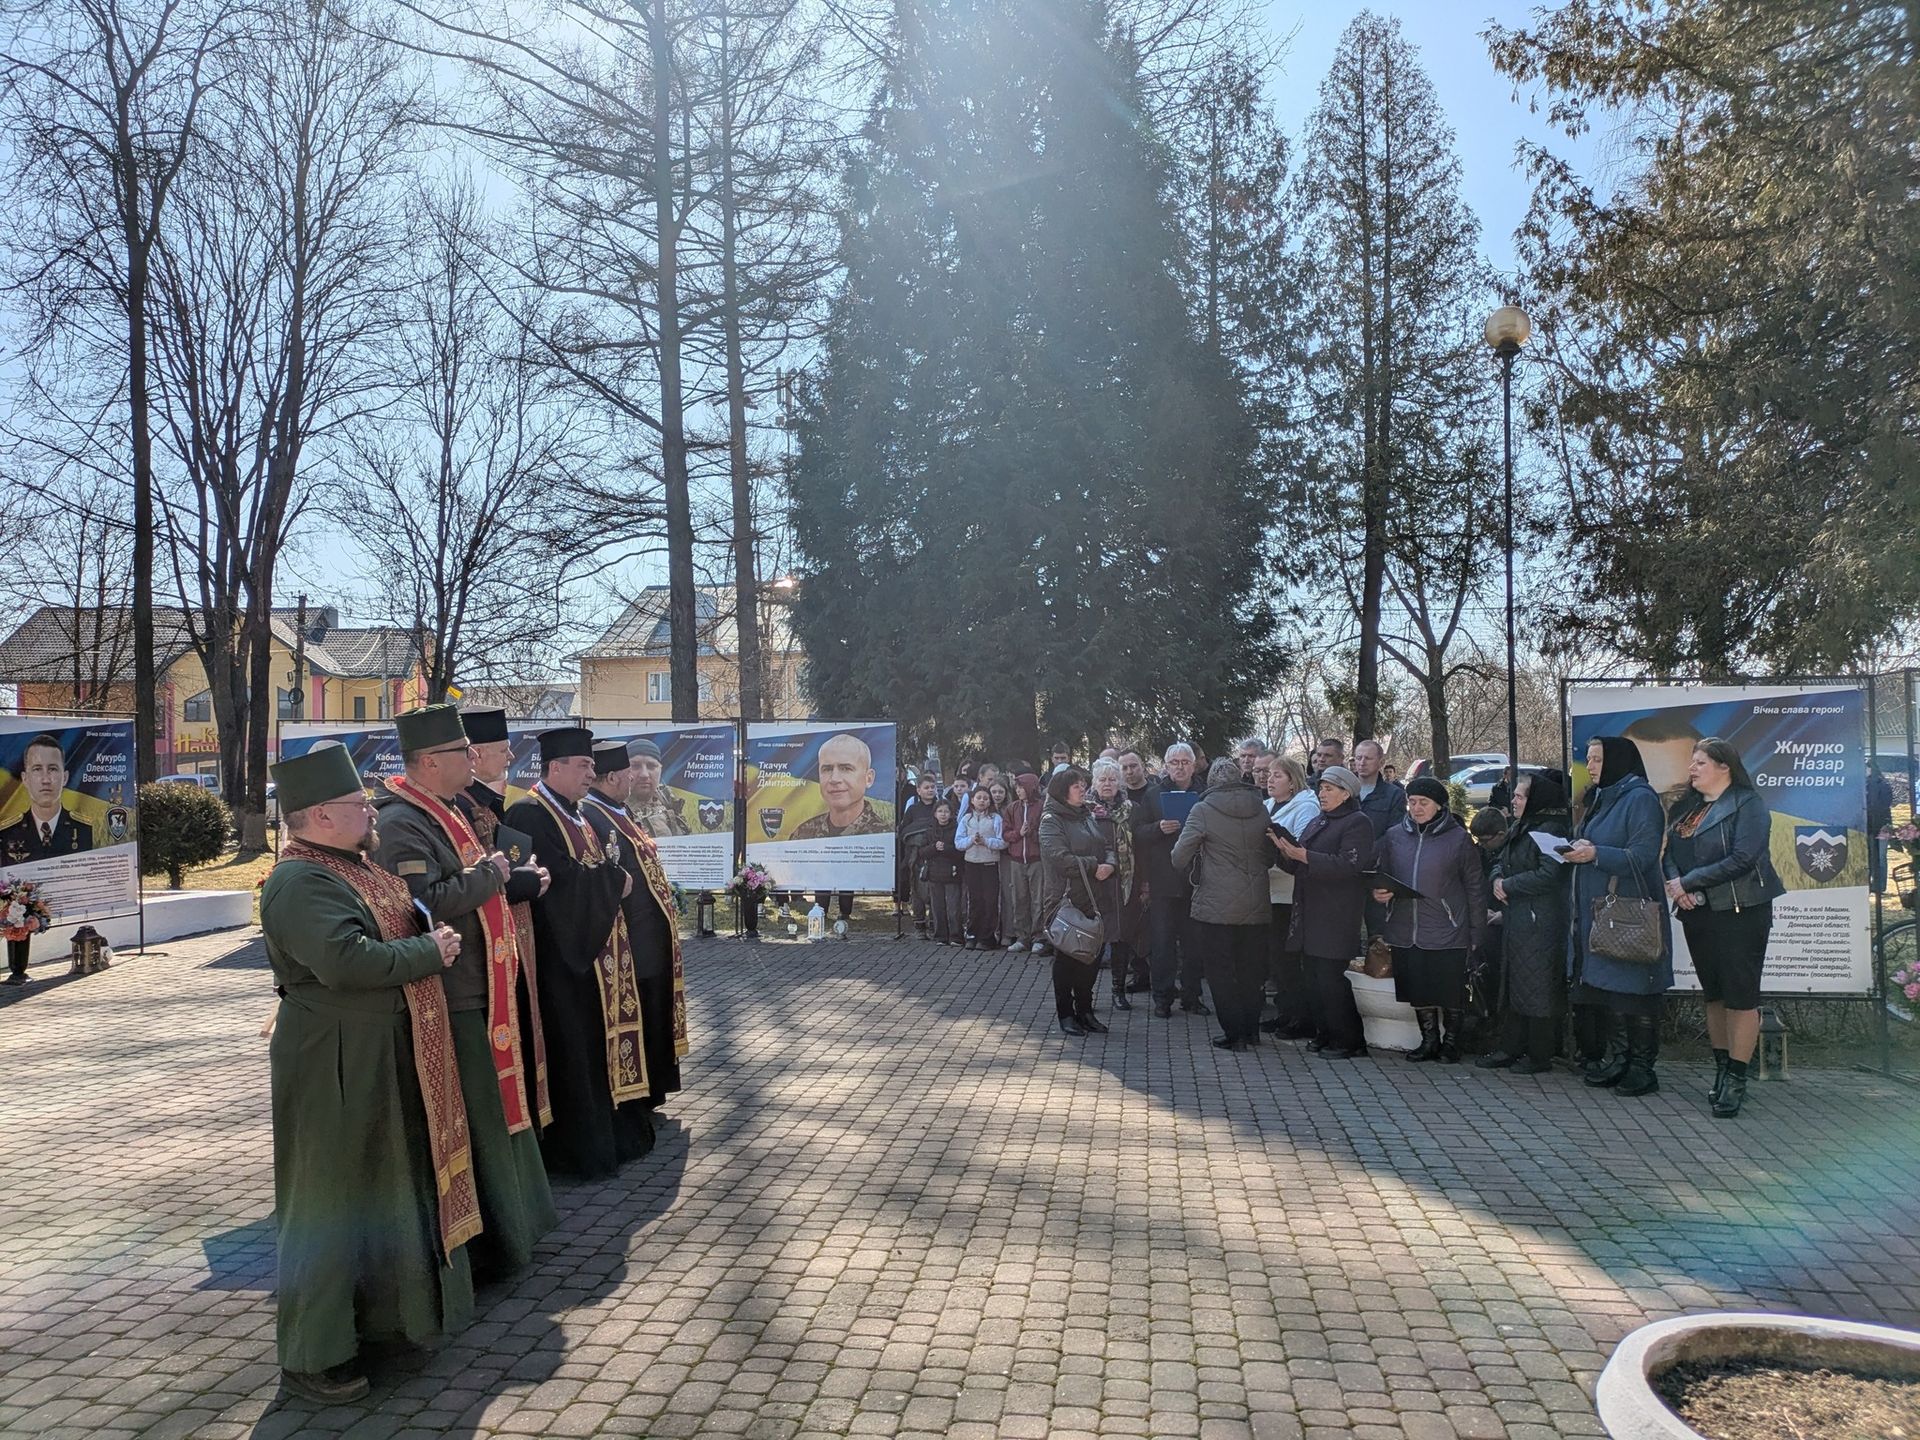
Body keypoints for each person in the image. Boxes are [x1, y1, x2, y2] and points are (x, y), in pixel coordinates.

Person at [259, 742, 474, 1405]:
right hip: (334, 1058)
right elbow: (346, 961)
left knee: (381, 1191)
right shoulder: (299, 880)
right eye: (359, 804)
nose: (370, 811)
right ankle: (314, 1353)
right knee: (328, 1201)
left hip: (377, 1050)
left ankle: (385, 1326)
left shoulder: (347, 864)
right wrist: (429, 949)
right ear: (320, 815)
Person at [372, 705, 557, 1282]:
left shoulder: (446, 810)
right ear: (429, 762)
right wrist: (494, 874)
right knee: (478, 1114)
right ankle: (490, 1237)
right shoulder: (404, 820)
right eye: (462, 753)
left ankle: (514, 1227)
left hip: (482, 985)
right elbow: (421, 903)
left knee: (498, 1109)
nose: (473, 760)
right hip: (452, 992)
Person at [506, 727, 652, 1177]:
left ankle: (608, 1136)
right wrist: (613, 883)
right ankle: (575, 1151)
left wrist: (610, 879)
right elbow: (558, 882)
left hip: (592, 958)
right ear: (555, 768)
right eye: (584, 765)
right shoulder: (530, 814)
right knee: (569, 1049)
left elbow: (590, 866)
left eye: (592, 765)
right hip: (560, 960)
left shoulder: (577, 814)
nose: (593, 772)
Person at [1663, 737, 1785, 1119]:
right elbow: (1669, 854)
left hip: (1741, 912)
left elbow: (1743, 858)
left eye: (1700, 763)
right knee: (1713, 995)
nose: (1692, 769)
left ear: (1723, 767)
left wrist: (1690, 882)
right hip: (1699, 913)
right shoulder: (1688, 808)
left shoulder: (1749, 805)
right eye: (1692, 762)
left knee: (1740, 996)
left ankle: (1737, 1078)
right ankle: (1720, 1070)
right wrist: (1676, 885)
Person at [1564, 735, 1672, 1098]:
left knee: (1637, 990)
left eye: (1597, 759)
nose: (1590, 766)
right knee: (1611, 989)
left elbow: (1642, 856)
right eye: (1589, 758)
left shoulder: (1640, 798)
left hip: (1631, 912)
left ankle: (1642, 1067)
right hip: (1603, 913)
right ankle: (1620, 1059)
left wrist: (1595, 853)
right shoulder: (1603, 798)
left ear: (1617, 761)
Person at [584, 742, 688, 1112]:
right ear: (613, 776)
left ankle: (654, 1087)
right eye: (630, 773)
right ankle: (639, 1093)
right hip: (630, 940)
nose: (636, 779)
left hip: (648, 938)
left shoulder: (618, 809)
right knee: (639, 1015)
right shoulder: (593, 815)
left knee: (654, 1011)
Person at [1371, 776, 1487, 1062]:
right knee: (1418, 988)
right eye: (1411, 802)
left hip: (1447, 928)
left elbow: (1475, 887)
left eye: (1423, 803)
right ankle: (1428, 1041)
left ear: (1439, 806)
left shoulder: (1458, 839)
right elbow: (1382, 874)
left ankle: (1451, 1043)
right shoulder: (1395, 835)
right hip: (1405, 927)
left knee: (1449, 991)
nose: (1416, 808)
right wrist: (1380, 893)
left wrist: (1476, 931)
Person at [1171, 758, 1274, 1051]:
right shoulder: (1261, 808)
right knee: (1251, 971)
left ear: (1212, 783)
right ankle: (1252, 1031)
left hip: (1216, 906)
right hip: (1256, 903)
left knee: (1220, 972)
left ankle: (1234, 1034)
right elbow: (1269, 857)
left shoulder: (1202, 810)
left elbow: (1179, 857)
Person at [1274, 766, 1375, 1058]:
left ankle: (1350, 1040)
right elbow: (1300, 864)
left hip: (1336, 914)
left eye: (1329, 789)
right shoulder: (1320, 820)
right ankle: (1325, 1032)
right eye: (1321, 788)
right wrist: (1283, 852)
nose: (1322, 793)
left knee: (1332, 980)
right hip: (1309, 910)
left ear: (1346, 793)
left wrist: (1304, 855)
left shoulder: (1358, 823)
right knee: (1314, 978)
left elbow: (1349, 865)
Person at [1480, 773, 1571, 1074]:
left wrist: (1510, 885)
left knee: (1538, 986)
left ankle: (1539, 1053)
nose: (1514, 800)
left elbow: (1551, 874)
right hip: (1519, 919)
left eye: (1520, 796)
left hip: (1540, 921)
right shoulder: (1522, 826)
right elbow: (1499, 859)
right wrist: (1496, 881)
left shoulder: (1552, 830)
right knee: (1515, 983)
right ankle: (1511, 1046)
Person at [1132, 742, 1208, 1018]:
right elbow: (1138, 833)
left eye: (1184, 762)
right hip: (1163, 880)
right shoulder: (1153, 795)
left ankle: (1192, 996)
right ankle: (1162, 998)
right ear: (1165, 765)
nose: (1179, 767)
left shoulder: (1204, 793)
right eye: (1174, 762)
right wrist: (1158, 828)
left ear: (1193, 764)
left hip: (1197, 879)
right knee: (1162, 943)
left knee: (1194, 943)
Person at [1039, 766, 1114, 1036]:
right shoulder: (1051, 820)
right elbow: (1060, 860)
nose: (1083, 789)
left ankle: (1085, 1010)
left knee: (1091, 957)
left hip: (1093, 896)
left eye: (1084, 784)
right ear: (1062, 791)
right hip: (1065, 899)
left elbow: (1107, 846)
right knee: (1067, 957)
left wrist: (1111, 864)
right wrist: (1095, 866)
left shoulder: (1087, 816)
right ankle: (1066, 1014)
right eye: (1076, 785)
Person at [1260, 756, 1321, 1040]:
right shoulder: (1267, 805)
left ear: (1293, 780)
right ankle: (1285, 1012)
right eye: (1269, 775)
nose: (1270, 780)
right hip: (1270, 890)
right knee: (1276, 958)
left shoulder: (1306, 806)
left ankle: (1302, 1017)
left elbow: (1300, 845)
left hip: (1291, 891)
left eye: (1277, 776)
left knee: (1290, 958)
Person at [1089, 758, 1146, 1007]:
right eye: (1102, 779)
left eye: (1112, 779)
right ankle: (1085, 994)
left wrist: (1144, 883)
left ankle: (1118, 991)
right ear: (1094, 783)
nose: (1108, 784)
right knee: (1094, 942)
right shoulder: (1084, 810)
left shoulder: (1132, 809)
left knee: (1121, 939)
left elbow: (1142, 848)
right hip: (1095, 884)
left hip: (1125, 884)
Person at [0, 732, 95, 862]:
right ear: (25, 779)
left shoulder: (86, 830)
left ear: (65, 778)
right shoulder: (7, 833)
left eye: (53, 769)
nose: (45, 779)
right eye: (37, 769)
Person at [792, 733, 891, 837]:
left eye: (846, 769)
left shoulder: (884, 836)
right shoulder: (803, 833)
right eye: (827, 769)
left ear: (868, 778)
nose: (834, 779)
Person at [956, 784, 1006, 950]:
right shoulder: (966, 819)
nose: (982, 801)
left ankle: (987, 936)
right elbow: (958, 842)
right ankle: (972, 934)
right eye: (979, 798)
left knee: (990, 900)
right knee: (974, 900)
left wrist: (986, 842)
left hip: (989, 863)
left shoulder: (995, 819)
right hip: (971, 863)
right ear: (972, 800)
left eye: (985, 798)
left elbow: (1003, 842)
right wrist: (971, 840)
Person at [1001, 772, 1045, 954]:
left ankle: (1039, 937)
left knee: (1038, 900)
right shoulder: (1012, 808)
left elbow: (1046, 834)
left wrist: (1032, 834)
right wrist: (1019, 833)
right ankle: (1022, 937)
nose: (1018, 790)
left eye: (1021, 787)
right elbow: (1005, 833)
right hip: (1017, 861)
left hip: (1037, 860)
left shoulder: (1042, 807)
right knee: (1019, 899)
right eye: (1016, 787)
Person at [900, 774, 944, 937]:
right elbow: (905, 831)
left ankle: (935, 924)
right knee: (917, 891)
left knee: (935, 891)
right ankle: (919, 926)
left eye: (932, 787)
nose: (930, 790)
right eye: (926, 788)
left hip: (936, 855)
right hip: (916, 857)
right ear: (918, 790)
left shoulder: (939, 807)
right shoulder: (913, 810)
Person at [625, 737, 691, 837]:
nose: (644, 774)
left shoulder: (669, 803)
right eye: (635, 766)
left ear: (660, 770)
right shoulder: (614, 809)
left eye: (651, 766)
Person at [923, 799, 962, 944]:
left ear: (951, 814)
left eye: (946, 811)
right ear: (935, 814)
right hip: (934, 873)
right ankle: (940, 936)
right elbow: (922, 852)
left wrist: (946, 848)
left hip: (952, 873)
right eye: (940, 811)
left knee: (953, 907)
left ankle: (956, 936)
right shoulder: (929, 830)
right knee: (937, 907)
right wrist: (934, 847)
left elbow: (960, 851)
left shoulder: (957, 828)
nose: (943, 814)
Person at [1351, 740, 1406, 838]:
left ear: (1381, 762)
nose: (1362, 763)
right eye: (1359, 758)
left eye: (1368, 758)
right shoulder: (1343, 789)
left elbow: (1395, 833)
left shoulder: (1394, 795)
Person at [1869, 762, 1894, 897]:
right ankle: (1871, 884)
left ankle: (1880, 886)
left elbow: (1885, 804)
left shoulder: (1883, 785)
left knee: (1881, 856)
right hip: (1868, 826)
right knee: (1871, 856)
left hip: (1882, 825)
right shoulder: (1863, 785)